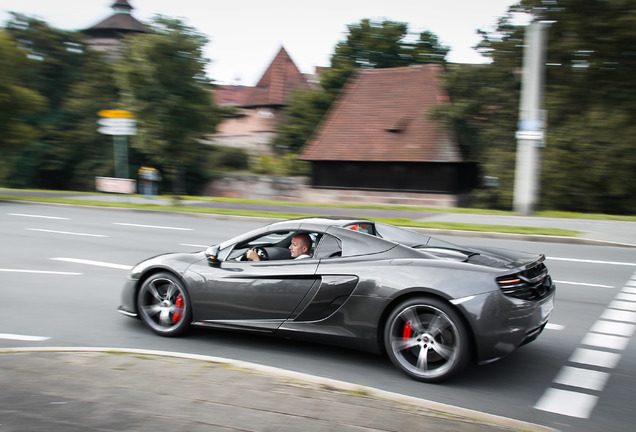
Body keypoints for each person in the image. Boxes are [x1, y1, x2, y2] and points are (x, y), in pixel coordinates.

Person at [246, 233, 312, 261]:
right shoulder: (307, 260)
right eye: (291, 244)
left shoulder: (300, 264)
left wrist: (256, 259)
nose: (289, 247)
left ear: (304, 249)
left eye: (294, 245)